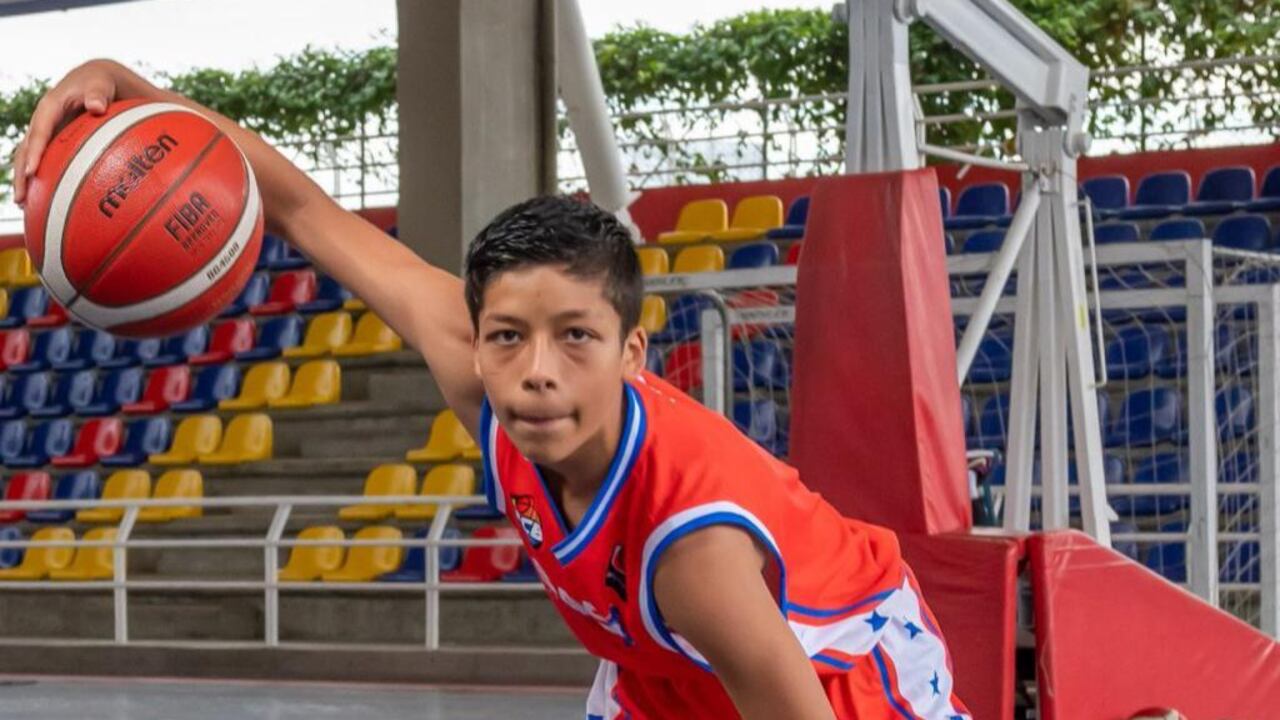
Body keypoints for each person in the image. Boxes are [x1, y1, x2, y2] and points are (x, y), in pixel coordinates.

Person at [13, 59, 970, 720]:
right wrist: (130, 91)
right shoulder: (478, 369)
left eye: (577, 337)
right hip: (661, 670)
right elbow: (298, 207)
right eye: (509, 336)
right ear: (478, 340)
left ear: (633, 353)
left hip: (840, 672)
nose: (538, 369)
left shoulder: (693, 548)